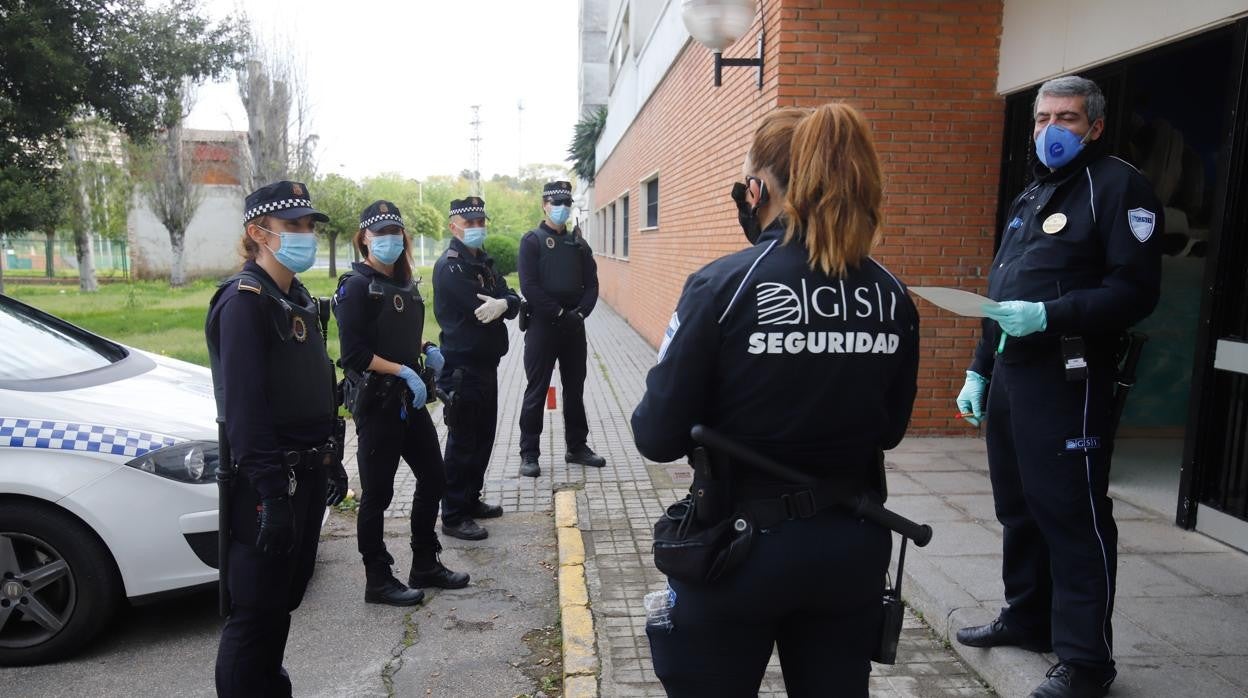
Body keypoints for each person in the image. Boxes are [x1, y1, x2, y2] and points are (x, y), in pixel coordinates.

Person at [632, 104, 920, 697]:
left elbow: (656, 437)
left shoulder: (724, 285)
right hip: (851, 547)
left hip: (737, 552)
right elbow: (889, 429)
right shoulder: (892, 293)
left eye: (744, 186)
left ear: (758, 189)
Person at [953, 75, 1163, 698]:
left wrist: (1053, 315)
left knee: (1073, 515)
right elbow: (1003, 292)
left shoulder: (1120, 188)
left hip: (1072, 377)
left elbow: (1135, 292)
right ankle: (1027, 617)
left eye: (1066, 119)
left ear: (1095, 126)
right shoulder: (1032, 195)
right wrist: (979, 368)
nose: (1050, 131)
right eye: (1042, 119)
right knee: (1018, 507)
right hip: (1016, 377)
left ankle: (1087, 662)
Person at [207, 181, 347, 696]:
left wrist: (333, 458)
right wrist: (270, 493)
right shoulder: (245, 302)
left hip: (307, 473)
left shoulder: (296, 298)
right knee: (254, 614)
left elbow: (315, 386)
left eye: (309, 226)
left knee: (281, 602)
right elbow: (244, 409)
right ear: (258, 233)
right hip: (269, 482)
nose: (305, 235)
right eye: (294, 227)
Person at [333, 200, 469, 605]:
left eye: (396, 232)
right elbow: (355, 354)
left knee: (434, 477)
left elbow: (398, 337)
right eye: (381, 233)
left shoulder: (407, 285)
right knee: (378, 494)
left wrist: (426, 349)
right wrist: (401, 370)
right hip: (377, 404)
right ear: (364, 239)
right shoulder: (355, 287)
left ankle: (425, 562)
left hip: (410, 402)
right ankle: (377, 578)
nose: (390, 240)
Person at [432, 196, 520, 541]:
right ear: (454, 227)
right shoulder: (450, 267)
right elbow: (479, 305)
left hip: (487, 365)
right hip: (463, 367)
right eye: (469, 223)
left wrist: (505, 303)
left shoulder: (484, 262)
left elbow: (510, 299)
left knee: (483, 438)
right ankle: (453, 514)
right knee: (463, 442)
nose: (476, 228)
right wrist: (503, 303)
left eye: (481, 221)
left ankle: (470, 500)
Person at [516, 181, 605, 477]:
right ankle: (529, 453)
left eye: (567, 202)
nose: (562, 208)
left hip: (573, 328)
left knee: (575, 389)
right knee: (537, 390)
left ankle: (577, 447)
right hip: (543, 326)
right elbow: (528, 285)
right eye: (556, 202)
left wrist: (579, 314)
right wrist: (557, 312)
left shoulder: (579, 243)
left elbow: (592, 285)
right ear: (544, 204)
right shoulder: (532, 241)